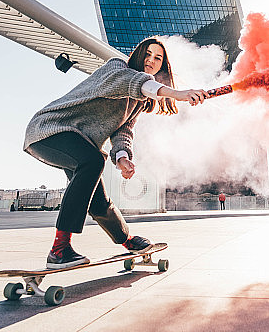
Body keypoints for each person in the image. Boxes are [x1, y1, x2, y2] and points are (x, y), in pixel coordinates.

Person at [24, 37, 208, 269]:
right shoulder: (116, 68)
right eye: (148, 54)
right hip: (48, 129)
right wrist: (177, 94)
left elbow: (123, 132)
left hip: (78, 142)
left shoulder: (138, 102)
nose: (151, 60)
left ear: (163, 65)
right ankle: (59, 250)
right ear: (138, 55)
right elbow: (134, 82)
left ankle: (127, 240)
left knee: (98, 200)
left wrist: (122, 158)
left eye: (158, 58)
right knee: (92, 162)